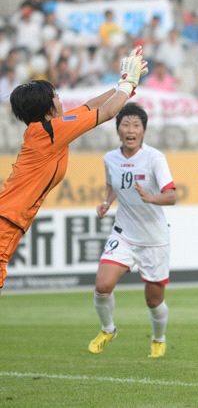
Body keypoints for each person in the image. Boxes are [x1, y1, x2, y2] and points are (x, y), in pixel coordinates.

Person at [0, 47, 148, 293]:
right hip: (7, 222)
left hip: (9, 220)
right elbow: (109, 112)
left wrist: (122, 84)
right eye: (56, 96)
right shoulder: (51, 131)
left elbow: (90, 107)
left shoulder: (50, 129)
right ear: (48, 107)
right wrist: (129, 82)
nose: (60, 100)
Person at [88, 103, 176, 358]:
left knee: (153, 300)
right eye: (125, 124)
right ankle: (108, 329)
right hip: (124, 233)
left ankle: (158, 338)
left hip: (154, 238)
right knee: (103, 286)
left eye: (136, 125)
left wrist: (152, 198)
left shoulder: (154, 158)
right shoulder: (110, 159)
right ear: (118, 130)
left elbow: (171, 196)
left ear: (143, 131)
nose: (130, 129)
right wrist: (106, 202)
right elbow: (112, 185)